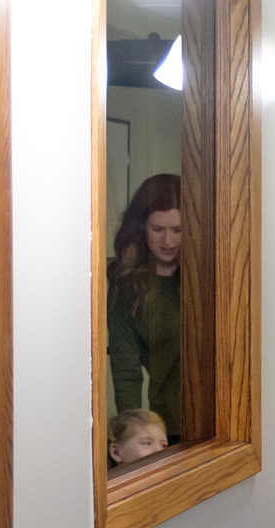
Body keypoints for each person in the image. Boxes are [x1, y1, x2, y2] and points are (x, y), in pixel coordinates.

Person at [108, 174, 183, 441]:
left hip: (225, 417)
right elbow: (126, 371)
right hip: (169, 430)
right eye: (157, 229)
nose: (168, 241)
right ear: (141, 226)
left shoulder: (206, 278)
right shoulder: (126, 286)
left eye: (177, 230)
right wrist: (134, 438)